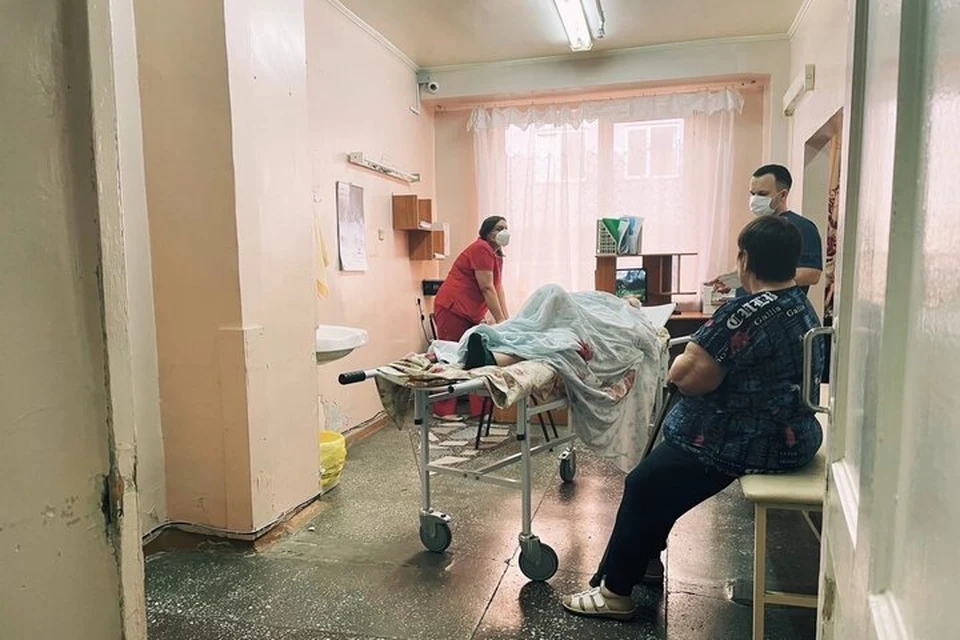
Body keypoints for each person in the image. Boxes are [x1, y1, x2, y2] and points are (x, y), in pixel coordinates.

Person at [561, 215, 825, 621]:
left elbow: (685, 378)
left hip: (746, 439)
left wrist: (686, 356)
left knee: (644, 485)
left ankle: (614, 593)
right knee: (663, 482)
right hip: (797, 433)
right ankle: (646, 562)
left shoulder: (743, 313)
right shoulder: (800, 305)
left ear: (745, 259)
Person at [431, 216, 511, 417]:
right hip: (453, 308)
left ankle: (480, 411)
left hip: (470, 311)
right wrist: (500, 320)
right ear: (487, 232)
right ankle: (443, 411)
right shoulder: (481, 248)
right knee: (450, 357)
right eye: (499, 228)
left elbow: (498, 288)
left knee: (476, 359)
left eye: (506, 228)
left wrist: (507, 321)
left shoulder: (497, 254)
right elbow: (486, 288)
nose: (504, 232)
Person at [710, 164, 823, 297]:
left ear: (782, 195)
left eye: (762, 194)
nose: (755, 199)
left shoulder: (802, 227)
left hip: (778, 306)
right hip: (748, 304)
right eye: (753, 194)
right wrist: (731, 280)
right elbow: (749, 268)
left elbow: (812, 274)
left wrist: (766, 281)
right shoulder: (757, 227)